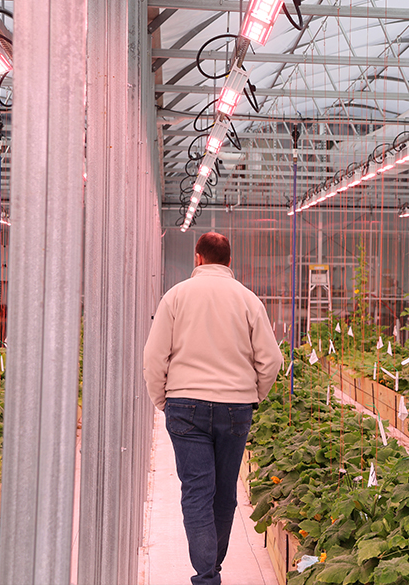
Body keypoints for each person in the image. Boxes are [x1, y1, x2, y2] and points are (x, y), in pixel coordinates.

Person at [143, 232, 283, 585]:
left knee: (196, 491)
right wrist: (253, 395)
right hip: (236, 406)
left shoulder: (175, 297)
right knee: (224, 493)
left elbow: (153, 356)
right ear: (229, 261)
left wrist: (163, 399)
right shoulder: (249, 301)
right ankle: (212, 567)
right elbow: (271, 360)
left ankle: (206, 575)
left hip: (185, 404)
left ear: (198, 257)